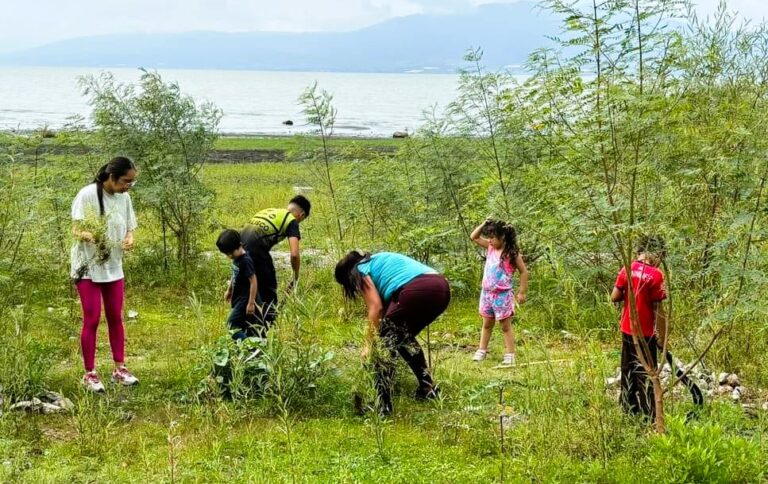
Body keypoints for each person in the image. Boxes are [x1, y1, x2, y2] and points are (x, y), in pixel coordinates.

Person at [335, 251, 451, 415]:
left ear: (347, 275)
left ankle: (382, 406)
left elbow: (376, 307)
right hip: (441, 287)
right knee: (402, 338)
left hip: (419, 288)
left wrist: (368, 344)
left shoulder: (359, 269)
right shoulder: (376, 260)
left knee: (382, 345)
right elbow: (384, 311)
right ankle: (428, 388)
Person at [70, 156, 139, 392]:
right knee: (92, 318)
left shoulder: (125, 198)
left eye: (132, 182)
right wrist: (93, 236)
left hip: (113, 266)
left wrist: (129, 239)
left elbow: (130, 228)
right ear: (111, 177)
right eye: (125, 181)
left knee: (115, 317)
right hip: (88, 266)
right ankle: (89, 373)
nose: (128, 186)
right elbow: (76, 229)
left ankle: (120, 368)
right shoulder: (88, 194)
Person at [610, 235, 668, 419]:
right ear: (657, 254)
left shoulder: (627, 268)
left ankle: (628, 408)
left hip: (627, 329)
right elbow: (658, 309)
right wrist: (663, 338)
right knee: (647, 374)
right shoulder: (657, 275)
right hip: (646, 334)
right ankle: (649, 414)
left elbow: (614, 297)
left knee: (628, 369)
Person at [241, 195, 311, 329]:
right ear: (301, 215)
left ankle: (247, 325)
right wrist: (295, 275)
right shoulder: (291, 220)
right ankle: (267, 329)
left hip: (240, 250)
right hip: (257, 251)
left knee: (250, 287)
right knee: (269, 291)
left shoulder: (270, 211)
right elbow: (295, 254)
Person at [470, 219, 529, 365]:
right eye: (488, 237)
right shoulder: (490, 247)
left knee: (505, 325)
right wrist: (484, 224)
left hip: (502, 295)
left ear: (502, 237)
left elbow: (523, 272)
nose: (489, 240)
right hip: (487, 294)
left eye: (492, 237)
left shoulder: (512, 253)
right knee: (487, 324)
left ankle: (510, 354)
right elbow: (474, 237)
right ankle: (482, 350)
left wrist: (522, 292)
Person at [216, 229, 262, 340]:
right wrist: (229, 290)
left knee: (232, 325)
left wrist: (251, 303)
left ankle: (251, 348)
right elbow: (234, 274)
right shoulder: (237, 259)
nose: (230, 256)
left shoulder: (246, 261)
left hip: (245, 300)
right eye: (227, 254)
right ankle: (247, 350)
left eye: (231, 252)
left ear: (239, 245)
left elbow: (253, 281)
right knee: (245, 326)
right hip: (238, 297)